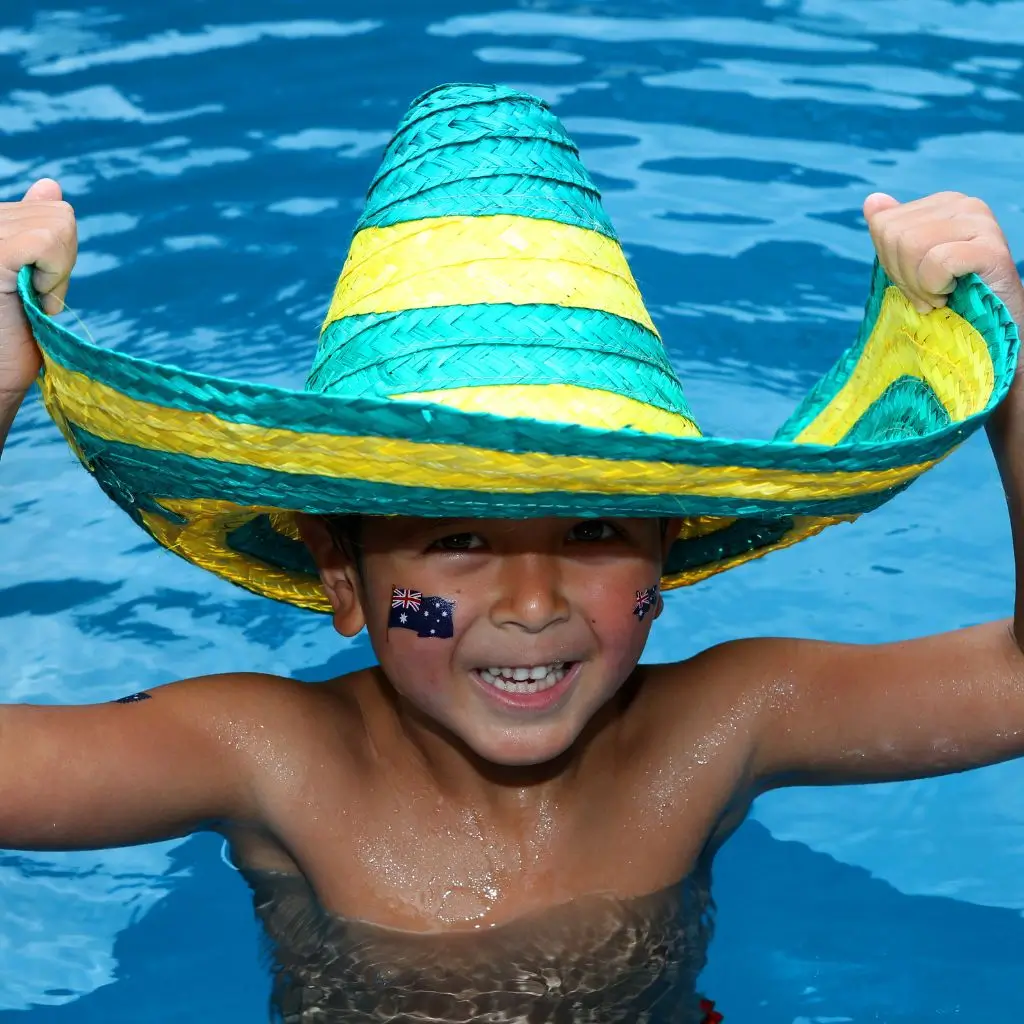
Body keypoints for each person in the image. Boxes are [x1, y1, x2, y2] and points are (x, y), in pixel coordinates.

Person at [1, 84, 1023, 1023]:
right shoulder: (272, 757)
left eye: (591, 532)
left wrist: (1009, 363)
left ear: (663, 553)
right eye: (458, 538)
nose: (532, 602)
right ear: (340, 573)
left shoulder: (720, 727)